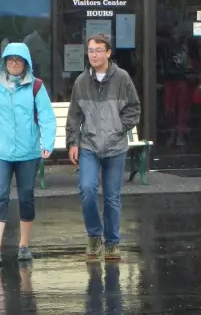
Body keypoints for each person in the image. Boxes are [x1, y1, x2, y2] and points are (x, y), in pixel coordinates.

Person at [0, 42, 56, 263]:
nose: (14, 63)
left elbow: (47, 117)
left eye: (18, 60)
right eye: (10, 60)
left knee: (26, 197)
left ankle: (24, 246)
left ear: (26, 63)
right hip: (1, 152)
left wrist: (47, 142)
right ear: (4, 63)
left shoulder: (36, 87)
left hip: (29, 153)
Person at [66, 33, 141, 261]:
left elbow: (134, 109)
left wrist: (118, 127)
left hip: (115, 146)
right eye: (90, 50)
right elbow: (74, 115)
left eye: (99, 50)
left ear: (108, 52)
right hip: (89, 144)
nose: (94, 54)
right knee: (87, 190)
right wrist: (72, 143)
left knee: (112, 197)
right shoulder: (81, 82)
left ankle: (112, 242)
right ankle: (94, 235)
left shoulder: (122, 78)